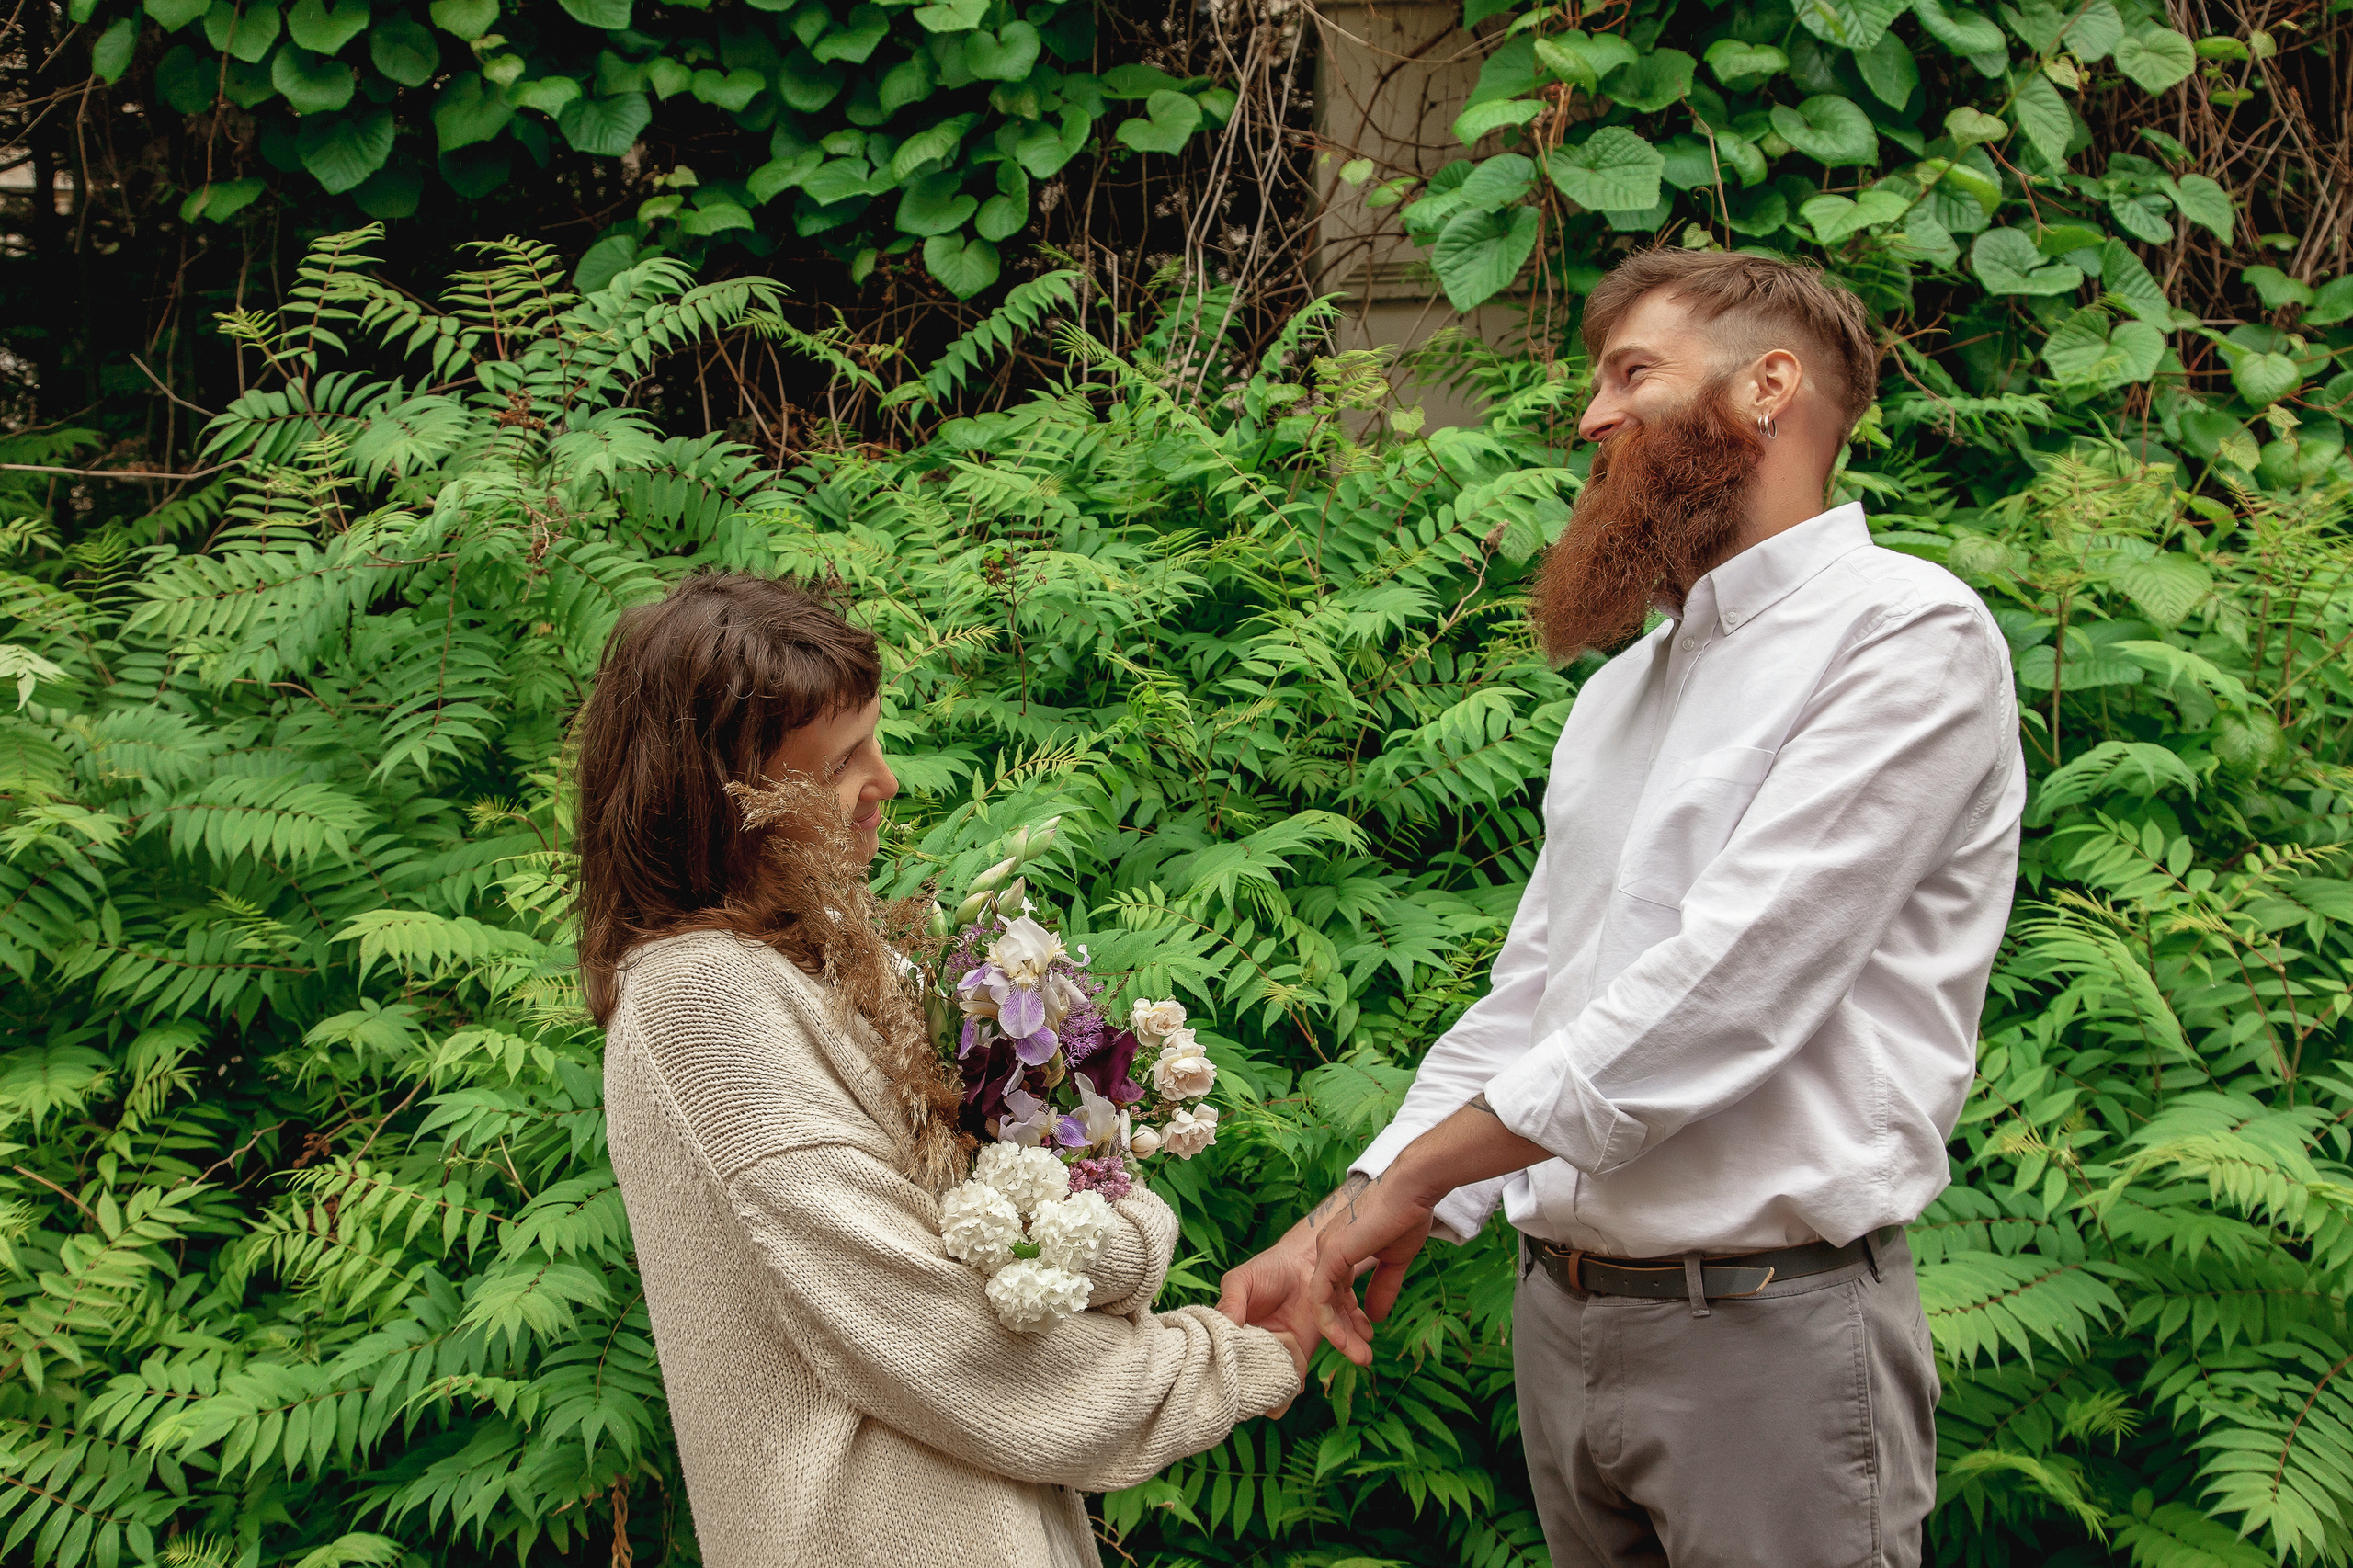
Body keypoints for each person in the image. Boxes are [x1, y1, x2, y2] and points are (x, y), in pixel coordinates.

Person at [1220, 250, 2027, 1567]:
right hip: (1564, 1327)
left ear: (1769, 387)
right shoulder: (1624, 689)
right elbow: (1536, 994)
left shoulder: (1905, 635)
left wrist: (1416, 1180)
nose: (1592, 417)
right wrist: (1366, 1198)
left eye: (1630, 372)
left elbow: (1727, 992)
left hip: (1767, 1335)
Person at [577, 573, 1305, 1568]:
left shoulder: (832, 959)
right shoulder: (702, 1000)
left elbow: (1004, 1252)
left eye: (876, 738)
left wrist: (1110, 1227)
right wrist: (1231, 1361)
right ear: (726, 799)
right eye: (842, 762)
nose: (886, 781)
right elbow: (927, 1329)